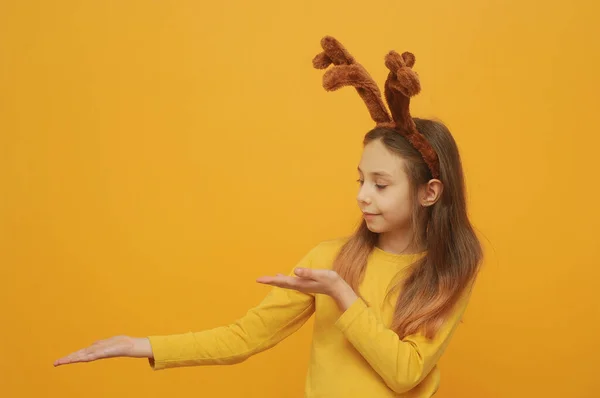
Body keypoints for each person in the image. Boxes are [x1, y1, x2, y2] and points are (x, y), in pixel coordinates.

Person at [54, 36, 483, 397]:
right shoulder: (327, 259)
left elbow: (405, 373)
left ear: (430, 192)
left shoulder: (448, 271)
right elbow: (245, 337)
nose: (362, 196)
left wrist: (342, 294)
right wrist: (142, 344)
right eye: (360, 180)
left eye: (381, 184)